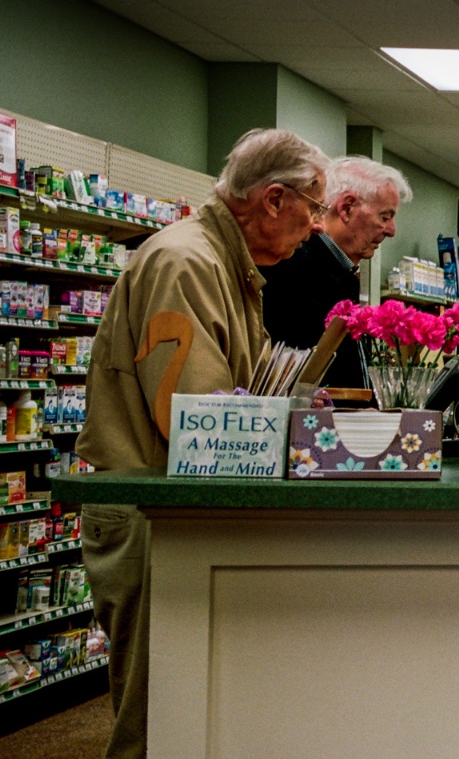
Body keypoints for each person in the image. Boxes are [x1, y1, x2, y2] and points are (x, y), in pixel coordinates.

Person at [78, 128, 331, 759]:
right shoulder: (187, 261)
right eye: (314, 208)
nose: (317, 227)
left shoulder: (224, 263)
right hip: (154, 517)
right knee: (161, 716)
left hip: (174, 513)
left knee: (190, 707)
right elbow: (199, 424)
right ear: (274, 199)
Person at [259, 156, 408, 390]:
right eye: (385, 217)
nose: (391, 231)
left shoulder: (339, 272)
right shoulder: (299, 271)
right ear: (347, 208)